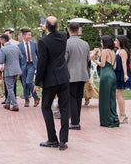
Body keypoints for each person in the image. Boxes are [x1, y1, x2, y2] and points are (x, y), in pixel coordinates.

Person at [35, 17, 70, 151]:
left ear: (45, 27)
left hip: (50, 79)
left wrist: (37, 82)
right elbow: (58, 30)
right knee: (65, 108)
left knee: (45, 107)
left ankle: (52, 139)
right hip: (64, 77)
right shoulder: (62, 36)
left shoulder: (43, 41)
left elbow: (41, 63)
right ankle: (63, 141)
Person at [65, 22, 90, 130]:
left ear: (68, 30)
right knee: (78, 98)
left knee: (72, 98)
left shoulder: (66, 43)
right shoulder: (85, 44)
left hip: (71, 75)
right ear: (78, 30)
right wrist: (88, 75)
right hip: (83, 74)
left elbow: (64, 60)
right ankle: (76, 120)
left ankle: (75, 122)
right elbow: (88, 61)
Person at [90, 35, 119, 128]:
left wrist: (95, 60)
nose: (101, 44)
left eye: (102, 42)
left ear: (105, 43)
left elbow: (102, 64)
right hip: (112, 75)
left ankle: (106, 120)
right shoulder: (113, 52)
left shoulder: (105, 51)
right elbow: (114, 66)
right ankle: (114, 118)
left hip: (105, 76)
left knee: (104, 98)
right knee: (112, 98)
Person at [0, 33, 22, 111]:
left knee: (9, 88)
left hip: (8, 71)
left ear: (3, 40)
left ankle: (15, 105)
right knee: (12, 86)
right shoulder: (16, 47)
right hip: (16, 70)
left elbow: (1, 61)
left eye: (0, 39)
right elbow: (21, 57)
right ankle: (7, 104)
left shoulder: (3, 49)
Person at [114, 35, 131, 124]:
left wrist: (125, 75)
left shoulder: (123, 51)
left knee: (119, 95)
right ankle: (121, 114)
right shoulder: (117, 51)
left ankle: (122, 115)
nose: (114, 42)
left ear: (120, 42)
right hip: (117, 73)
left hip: (121, 74)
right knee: (117, 95)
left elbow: (124, 63)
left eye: (116, 40)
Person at [18, 29, 40, 107]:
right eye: (28, 35)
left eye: (30, 35)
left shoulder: (34, 44)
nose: (30, 36)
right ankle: (26, 100)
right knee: (24, 84)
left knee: (28, 82)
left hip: (31, 65)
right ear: (24, 36)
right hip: (23, 66)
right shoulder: (19, 45)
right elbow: (18, 58)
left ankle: (36, 97)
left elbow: (39, 54)